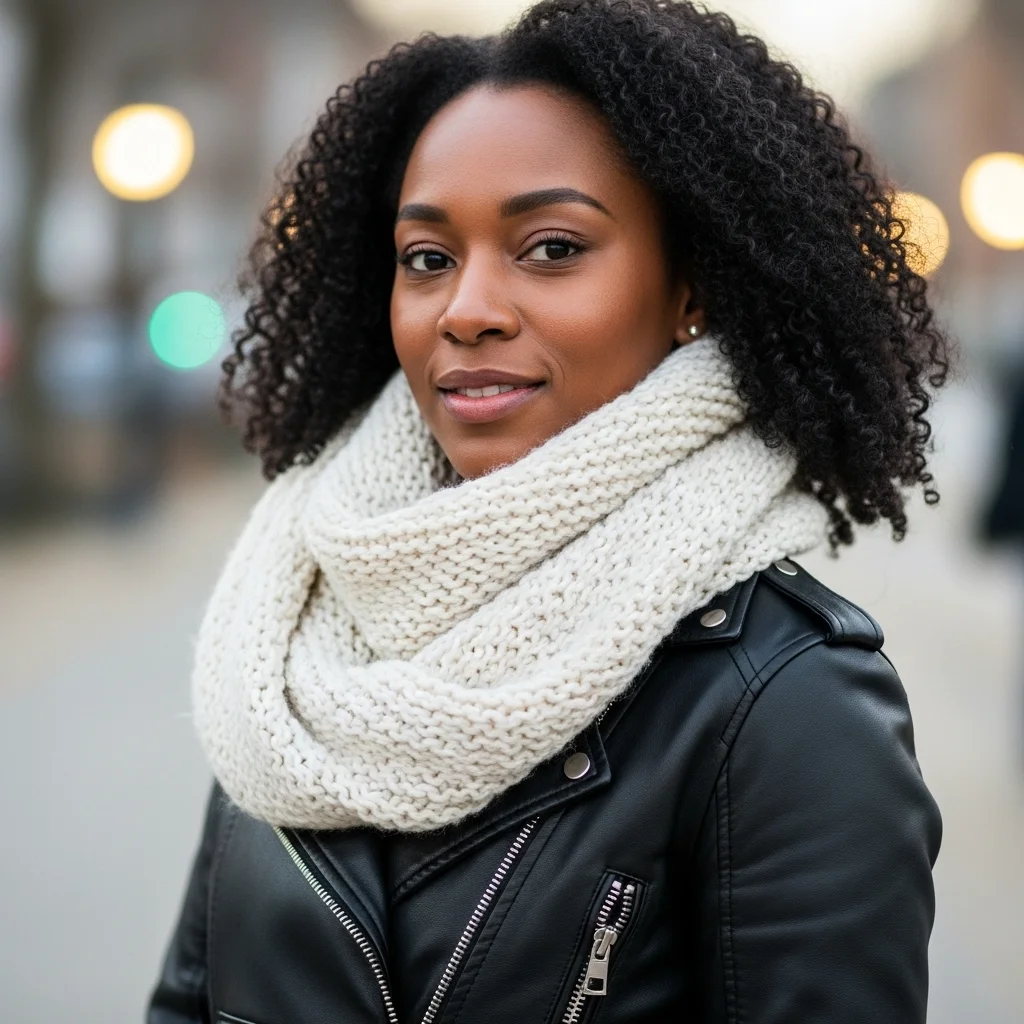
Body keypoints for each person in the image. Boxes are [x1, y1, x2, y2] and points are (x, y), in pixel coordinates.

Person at [148, 2, 946, 1021]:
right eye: (427, 258)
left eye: (552, 246)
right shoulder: (288, 636)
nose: (466, 307)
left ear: (690, 284)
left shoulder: (786, 702)